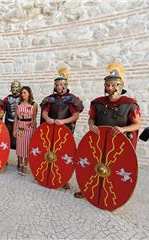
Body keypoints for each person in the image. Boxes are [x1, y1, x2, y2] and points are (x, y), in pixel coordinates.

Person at [74, 63, 141, 199]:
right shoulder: (98, 103)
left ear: (120, 86)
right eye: (107, 85)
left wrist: (123, 129)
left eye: (113, 85)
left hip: (119, 144)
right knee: (93, 164)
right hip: (99, 141)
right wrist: (91, 125)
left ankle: (113, 196)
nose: (110, 88)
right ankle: (87, 189)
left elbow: (137, 124)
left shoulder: (130, 104)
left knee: (115, 169)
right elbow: (92, 119)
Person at [40, 67, 84, 189]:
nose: (59, 87)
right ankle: (47, 174)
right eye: (57, 84)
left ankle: (64, 179)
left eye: (61, 84)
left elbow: (75, 116)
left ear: (65, 85)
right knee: (49, 153)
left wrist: (64, 121)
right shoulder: (51, 98)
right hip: (50, 131)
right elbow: (44, 112)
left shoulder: (71, 99)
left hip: (65, 132)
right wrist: (47, 118)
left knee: (64, 156)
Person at [13, 86, 37, 176]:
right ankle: (21, 164)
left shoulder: (33, 105)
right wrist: (14, 130)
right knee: (19, 147)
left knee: (27, 147)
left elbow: (34, 119)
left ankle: (26, 166)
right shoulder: (18, 105)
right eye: (22, 93)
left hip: (29, 128)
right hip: (20, 128)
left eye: (25, 93)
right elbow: (16, 118)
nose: (23, 94)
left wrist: (35, 131)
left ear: (29, 93)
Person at [3, 80, 21, 167]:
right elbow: (2, 110)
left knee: (19, 142)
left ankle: (19, 161)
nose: (14, 89)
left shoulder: (23, 98)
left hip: (19, 123)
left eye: (16, 87)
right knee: (6, 141)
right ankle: (5, 159)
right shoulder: (7, 99)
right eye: (13, 87)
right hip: (8, 122)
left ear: (19, 88)